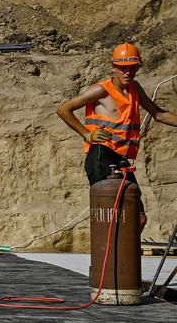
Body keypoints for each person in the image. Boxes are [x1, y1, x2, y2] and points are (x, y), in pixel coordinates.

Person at [56, 43, 177, 229]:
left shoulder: (136, 89)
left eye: (132, 68)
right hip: (101, 156)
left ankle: (123, 257)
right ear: (113, 67)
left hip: (120, 160)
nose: (128, 72)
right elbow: (63, 109)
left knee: (139, 218)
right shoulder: (101, 90)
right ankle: (108, 256)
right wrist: (86, 134)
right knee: (109, 217)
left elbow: (159, 114)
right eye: (123, 68)